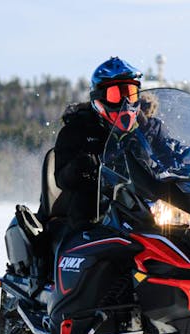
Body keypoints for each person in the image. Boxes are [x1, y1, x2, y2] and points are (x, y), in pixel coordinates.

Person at [49, 56, 143, 229]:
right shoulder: (77, 130)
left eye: (131, 93)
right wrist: (81, 165)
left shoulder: (147, 128)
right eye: (116, 95)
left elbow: (166, 149)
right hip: (91, 212)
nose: (126, 102)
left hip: (139, 207)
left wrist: (189, 155)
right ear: (99, 98)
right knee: (82, 207)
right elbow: (61, 178)